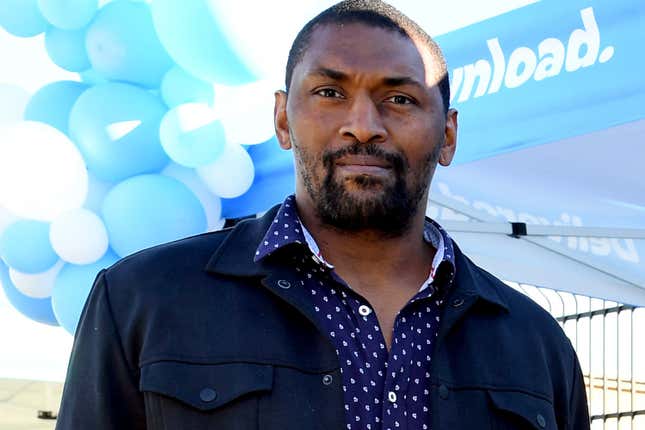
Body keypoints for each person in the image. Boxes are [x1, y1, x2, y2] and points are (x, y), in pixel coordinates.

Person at [56, 1, 590, 429]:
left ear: (447, 134)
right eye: (330, 92)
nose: (363, 124)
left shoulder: (537, 345)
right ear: (282, 121)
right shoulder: (142, 300)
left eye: (400, 99)